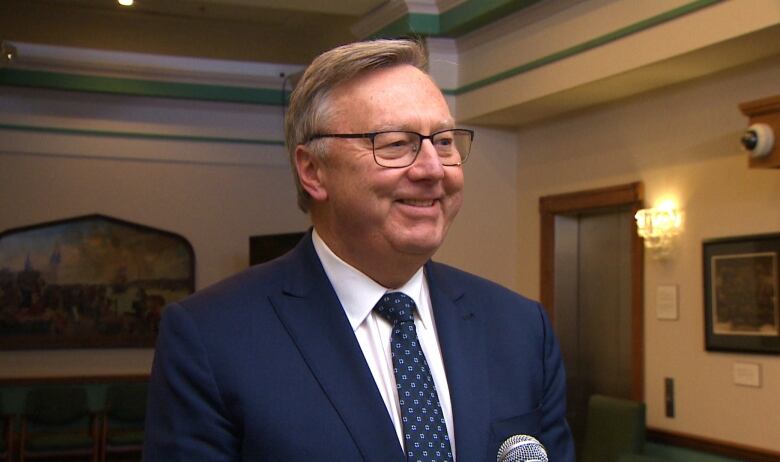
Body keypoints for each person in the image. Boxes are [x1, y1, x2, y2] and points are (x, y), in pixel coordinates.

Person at [143, 39, 574, 461]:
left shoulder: (520, 329)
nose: (432, 169)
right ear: (313, 171)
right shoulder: (213, 338)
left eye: (443, 142)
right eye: (394, 143)